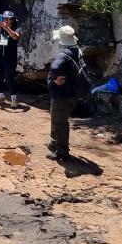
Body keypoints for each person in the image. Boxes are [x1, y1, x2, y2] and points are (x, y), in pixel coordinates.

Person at [47, 25, 80, 160]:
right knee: (57, 118)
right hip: (73, 92)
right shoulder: (77, 51)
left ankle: (61, 151)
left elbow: (55, 68)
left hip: (63, 94)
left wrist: (54, 78)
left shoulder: (63, 54)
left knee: (60, 122)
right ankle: (54, 143)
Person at [0, 10, 22, 107]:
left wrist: (6, 28)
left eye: (9, 19)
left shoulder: (16, 28)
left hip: (10, 57)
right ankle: (0, 96)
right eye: (5, 18)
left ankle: (14, 100)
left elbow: (15, 37)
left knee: (9, 77)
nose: (6, 20)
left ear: (12, 20)